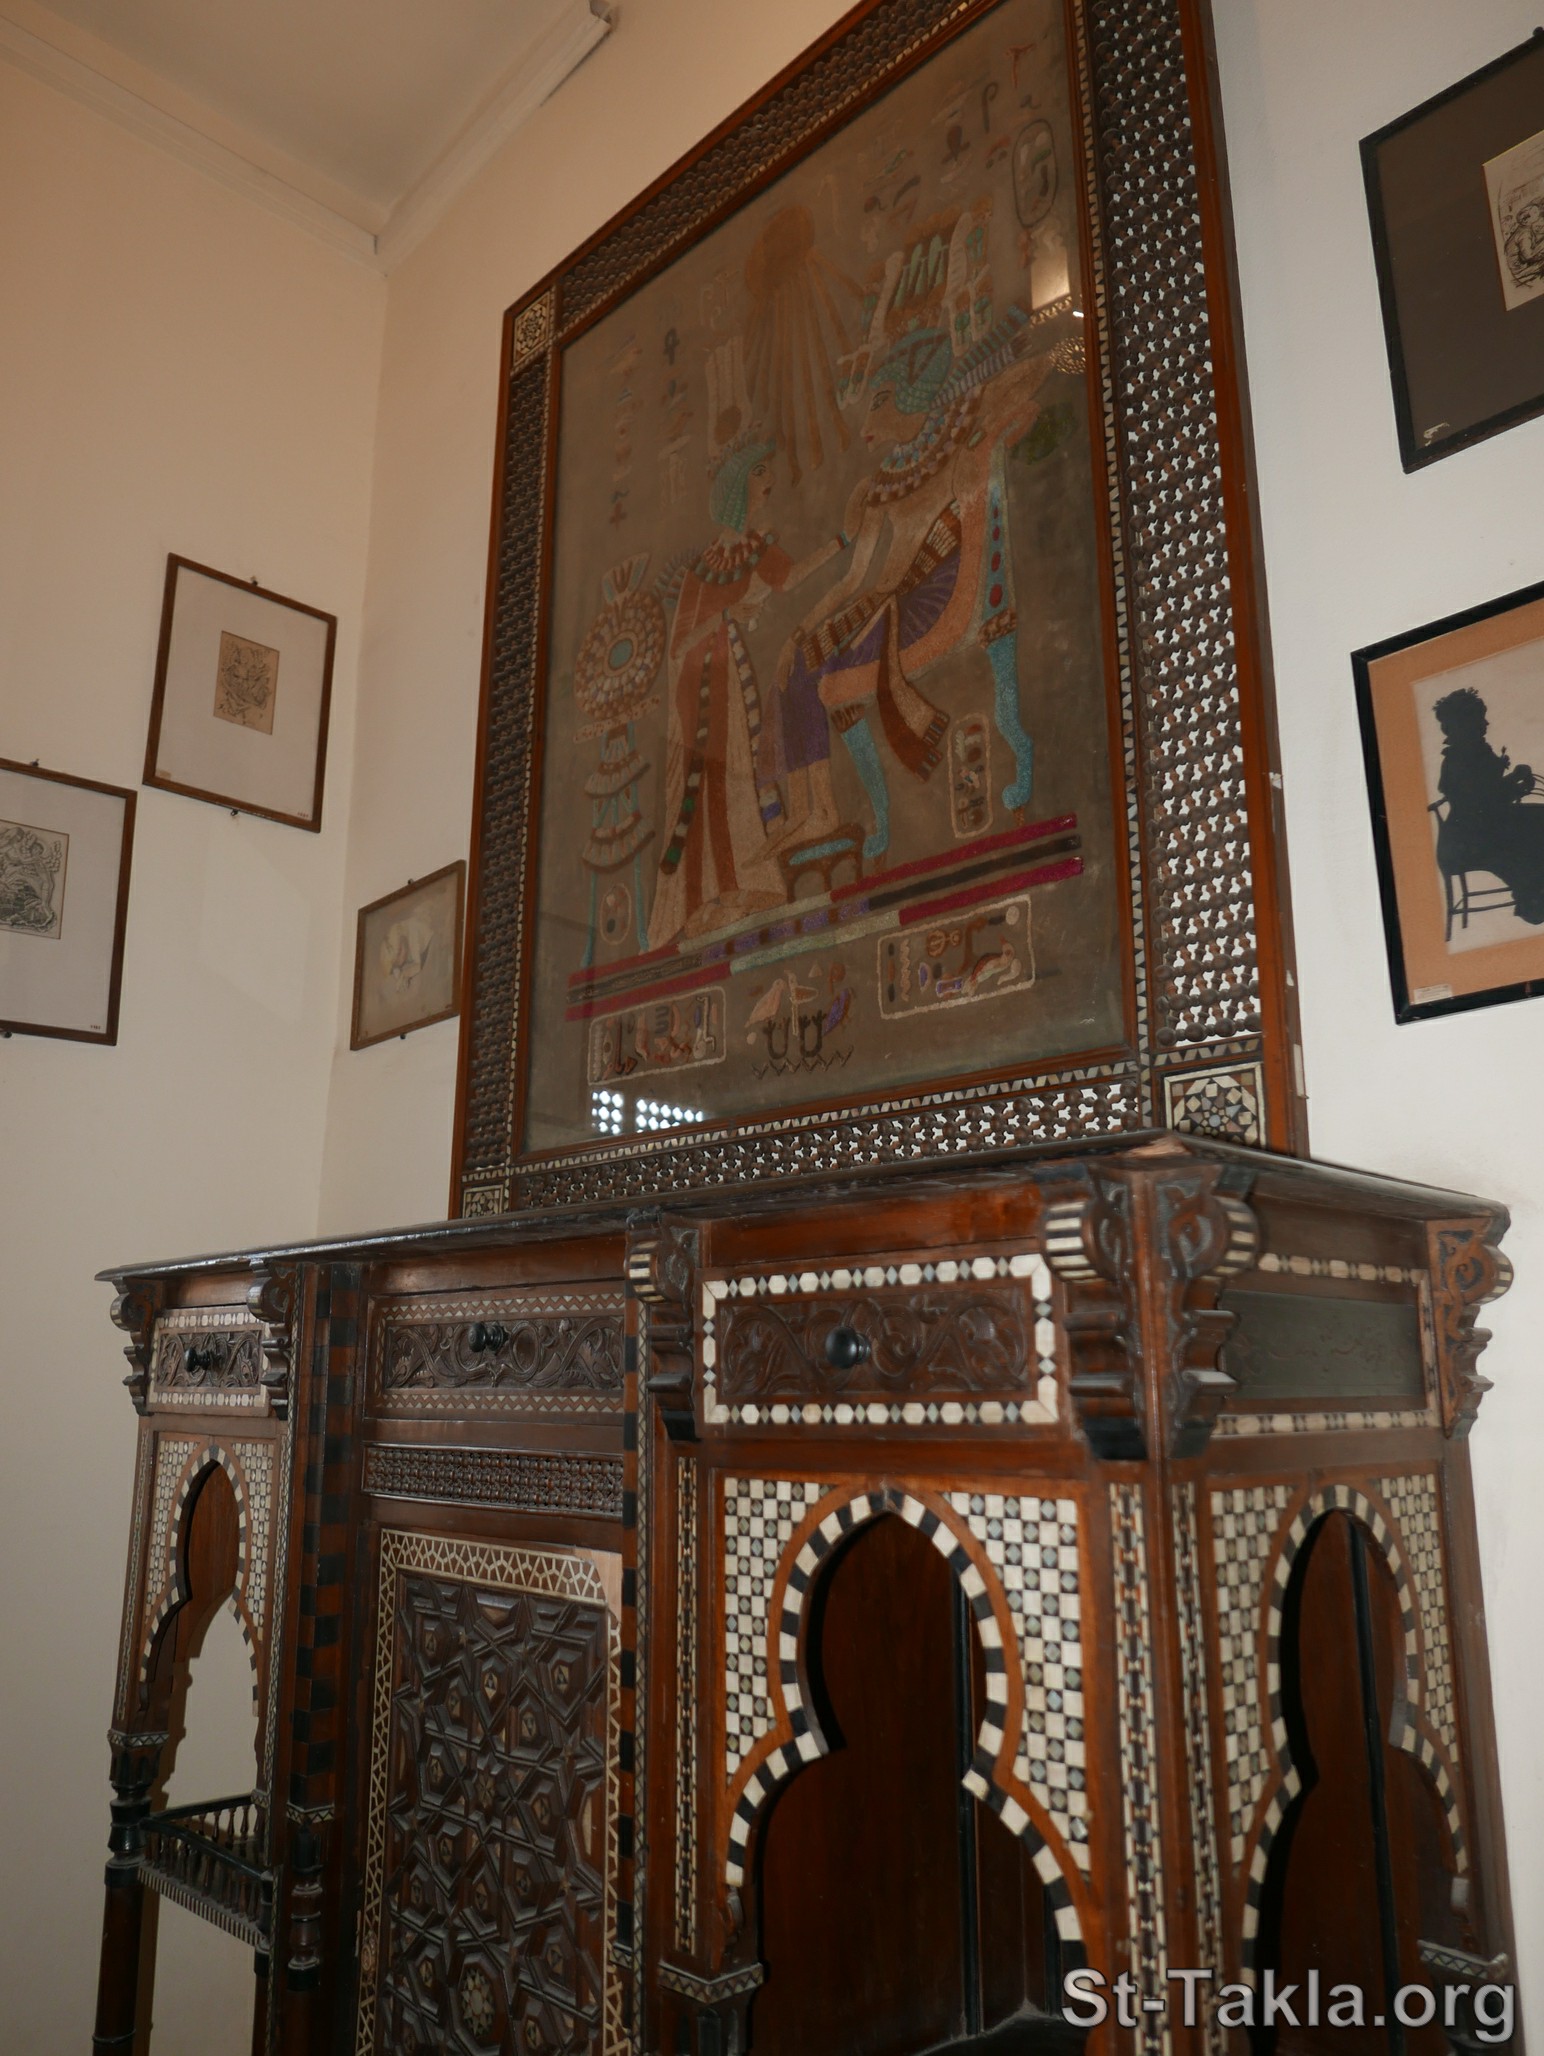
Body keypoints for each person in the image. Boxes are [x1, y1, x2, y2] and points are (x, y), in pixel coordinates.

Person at [647, 438, 846, 949]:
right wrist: (726, 615)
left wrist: (842, 541)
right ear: (738, 489)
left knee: (738, 775)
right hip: (703, 691)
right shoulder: (702, 569)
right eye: (760, 473)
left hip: (731, 679)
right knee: (711, 782)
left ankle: (745, 886)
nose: (769, 481)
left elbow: (791, 578)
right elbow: (679, 644)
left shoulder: (757, 548)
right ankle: (706, 898)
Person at [1432, 686, 1544, 924]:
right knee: (1526, 840)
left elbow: (1490, 794)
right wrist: (1515, 784)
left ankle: (1536, 896)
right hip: (1466, 841)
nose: (1485, 724)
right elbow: (1484, 802)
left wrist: (1515, 778)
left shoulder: (1475, 751)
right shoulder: (1458, 761)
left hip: (1481, 826)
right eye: (1479, 720)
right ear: (1462, 725)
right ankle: (1533, 902)